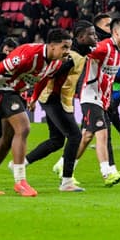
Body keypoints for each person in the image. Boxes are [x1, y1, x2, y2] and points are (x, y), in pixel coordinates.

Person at [0, 29, 73, 196]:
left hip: (15, 91)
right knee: (23, 128)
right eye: (65, 47)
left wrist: (33, 97)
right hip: (0, 87)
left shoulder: (56, 62)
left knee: (7, 138)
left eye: (69, 47)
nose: (67, 51)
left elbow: (45, 78)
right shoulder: (28, 55)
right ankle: (20, 182)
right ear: (52, 46)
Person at [29, 20, 96, 191]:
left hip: (59, 100)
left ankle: (21, 163)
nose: (95, 37)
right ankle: (67, 182)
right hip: (54, 99)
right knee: (75, 136)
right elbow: (48, 75)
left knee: (57, 140)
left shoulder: (81, 54)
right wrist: (34, 97)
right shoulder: (71, 57)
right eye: (91, 34)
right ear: (81, 38)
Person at [77, 17, 120, 183]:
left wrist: (107, 99)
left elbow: (111, 77)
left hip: (102, 98)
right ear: (115, 32)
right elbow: (83, 53)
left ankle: (65, 165)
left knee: (87, 136)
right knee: (102, 133)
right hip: (89, 94)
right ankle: (107, 173)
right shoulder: (103, 47)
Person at [94, 13, 120, 151]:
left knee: (110, 114)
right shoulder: (103, 46)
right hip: (105, 89)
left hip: (117, 89)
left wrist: (117, 79)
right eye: (106, 25)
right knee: (110, 114)